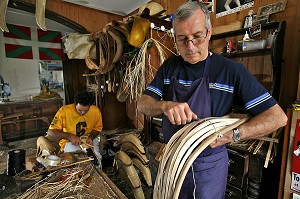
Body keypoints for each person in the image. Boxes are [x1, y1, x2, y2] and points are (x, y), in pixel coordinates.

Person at [137, 1, 287, 199]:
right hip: (173, 160)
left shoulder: (231, 72)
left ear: (208, 32)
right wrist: (164, 105)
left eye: (197, 37)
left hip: (208, 167)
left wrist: (233, 135)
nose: (190, 46)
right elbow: (142, 103)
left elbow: (277, 117)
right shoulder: (169, 67)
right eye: (182, 39)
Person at [36, 90, 103, 167]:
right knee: (76, 161)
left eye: (86, 110)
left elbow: (97, 128)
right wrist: (69, 136)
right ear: (75, 104)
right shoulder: (64, 111)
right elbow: (51, 132)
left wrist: (91, 136)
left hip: (88, 141)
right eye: (80, 110)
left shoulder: (95, 110)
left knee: (97, 159)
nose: (83, 113)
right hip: (69, 142)